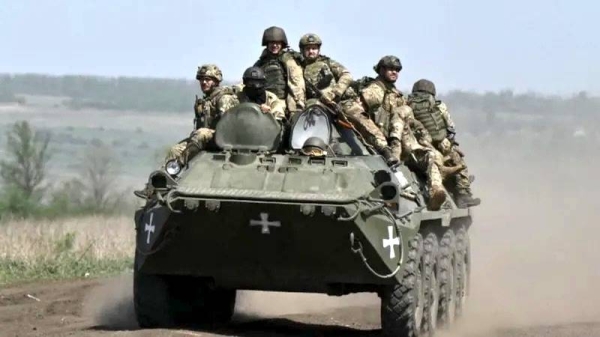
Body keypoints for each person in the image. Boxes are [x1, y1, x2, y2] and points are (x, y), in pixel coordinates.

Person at [408, 79, 480, 207]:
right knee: (457, 159)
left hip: (417, 149)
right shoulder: (439, 106)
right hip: (439, 148)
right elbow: (451, 129)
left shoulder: (407, 104)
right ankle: (463, 193)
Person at [164, 64, 238, 164]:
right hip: (205, 139)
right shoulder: (204, 101)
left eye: (207, 80)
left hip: (222, 138)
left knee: (201, 134)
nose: (203, 82)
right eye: (201, 80)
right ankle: (165, 176)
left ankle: (178, 165)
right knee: (175, 150)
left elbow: (229, 125)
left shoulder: (224, 98)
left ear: (216, 81)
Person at [253, 26, 306, 114]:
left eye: (277, 43)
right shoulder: (261, 62)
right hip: (262, 101)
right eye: (271, 43)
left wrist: (299, 105)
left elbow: (297, 84)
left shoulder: (288, 60)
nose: (274, 45)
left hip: (281, 102)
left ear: (282, 44)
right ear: (267, 44)